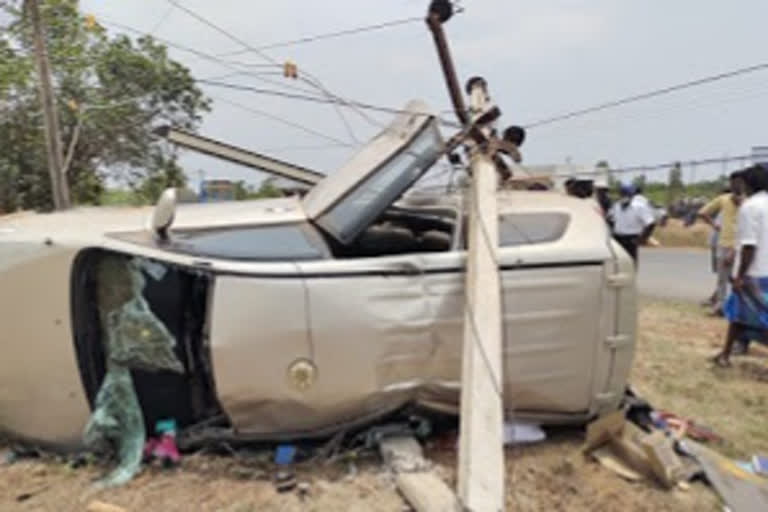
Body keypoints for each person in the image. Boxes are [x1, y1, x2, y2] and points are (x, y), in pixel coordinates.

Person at [713, 165, 768, 367]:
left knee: (762, 317)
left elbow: (749, 246)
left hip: (755, 272)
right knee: (737, 313)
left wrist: (740, 276)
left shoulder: (750, 207)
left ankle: (727, 354)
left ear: (749, 184)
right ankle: (725, 354)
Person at [697, 171, 744, 315]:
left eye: (739, 182)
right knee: (723, 277)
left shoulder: (749, 202)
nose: (736, 185)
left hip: (741, 244)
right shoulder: (723, 199)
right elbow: (703, 212)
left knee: (737, 276)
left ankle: (729, 304)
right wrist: (714, 225)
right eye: (733, 182)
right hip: (724, 242)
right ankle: (721, 306)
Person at [610, 183, 655, 264]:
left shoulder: (639, 207)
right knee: (617, 263)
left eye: (626, 194)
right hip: (617, 239)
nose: (623, 196)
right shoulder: (616, 206)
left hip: (631, 240)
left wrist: (642, 239)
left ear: (631, 195)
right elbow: (611, 220)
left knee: (630, 264)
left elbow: (651, 223)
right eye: (622, 193)